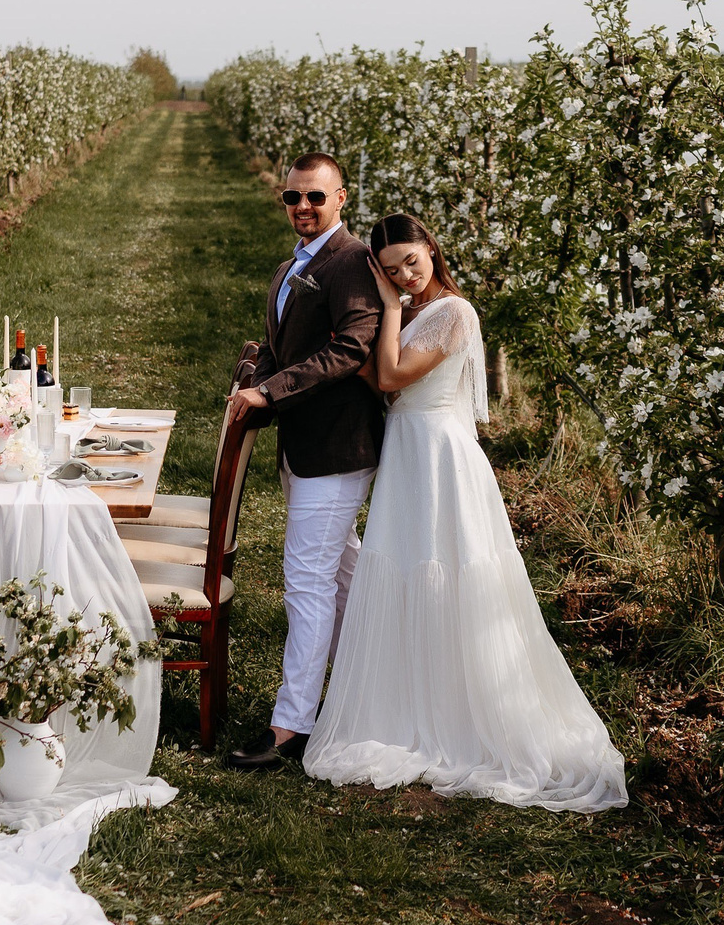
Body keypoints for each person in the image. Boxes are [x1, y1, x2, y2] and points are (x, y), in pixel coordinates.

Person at [303, 212, 628, 811]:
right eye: (391, 267)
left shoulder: (453, 311)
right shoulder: (417, 310)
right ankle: (414, 703)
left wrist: (387, 302)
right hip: (409, 454)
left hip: (439, 458)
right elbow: (381, 376)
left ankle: (464, 713)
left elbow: (391, 374)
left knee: (447, 570)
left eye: (411, 261)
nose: (404, 273)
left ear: (431, 250)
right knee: (407, 568)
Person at [224, 152, 385, 771]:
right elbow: (287, 343)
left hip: (336, 446)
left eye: (316, 197)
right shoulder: (297, 263)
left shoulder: (350, 263)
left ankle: (292, 725)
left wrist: (269, 391)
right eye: (293, 198)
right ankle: (361, 691)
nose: (303, 208)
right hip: (306, 444)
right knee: (342, 572)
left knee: (308, 583)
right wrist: (259, 372)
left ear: (341, 198)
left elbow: (352, 346)